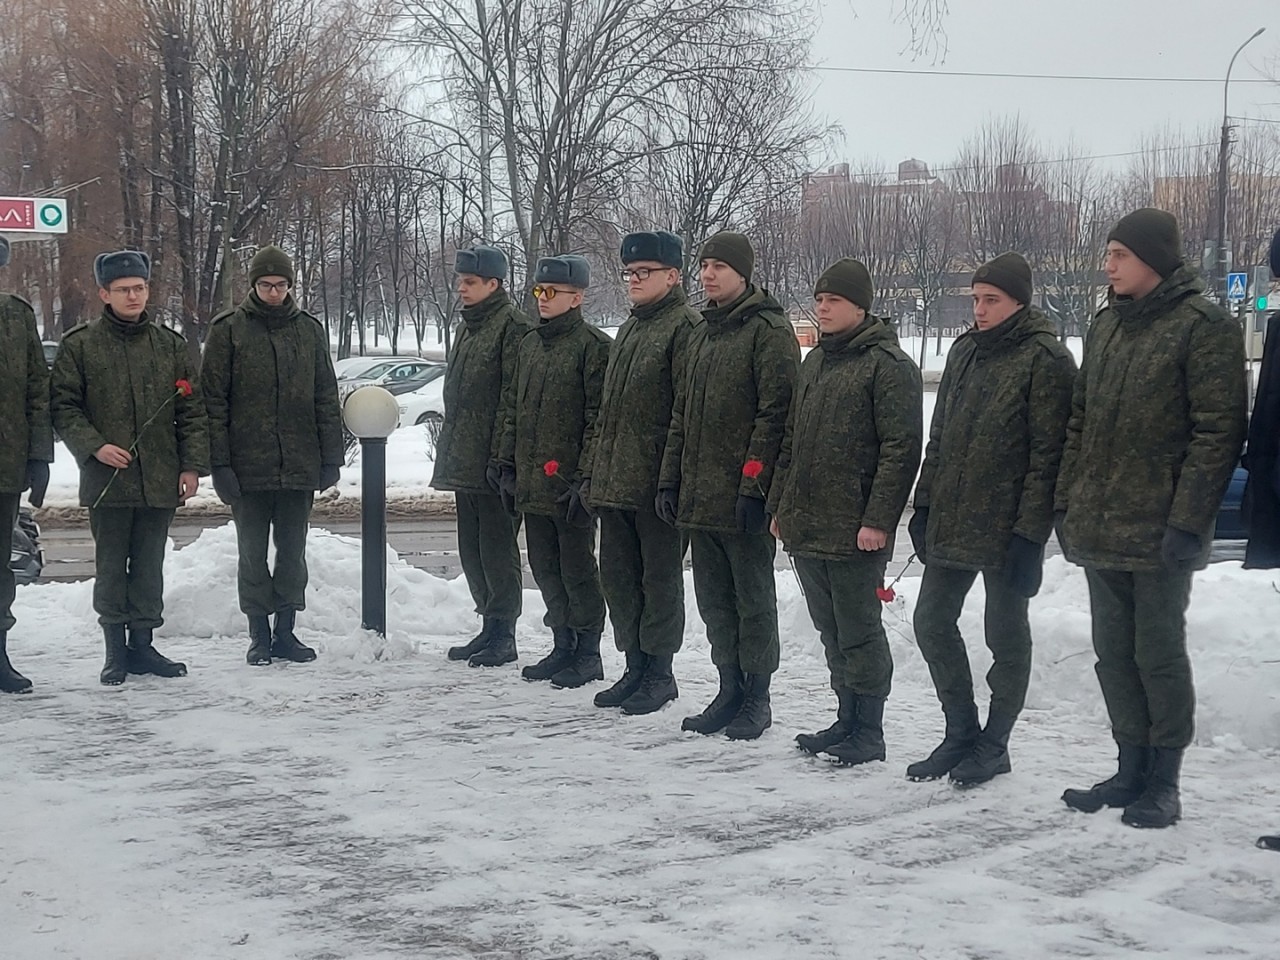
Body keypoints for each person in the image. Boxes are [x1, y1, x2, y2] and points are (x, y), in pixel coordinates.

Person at [1057, 209, 1246, 828]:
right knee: (1113, 655)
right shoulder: (1106, 326)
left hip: (1160, 528)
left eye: (1120, 255)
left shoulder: (1204, 328)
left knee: (1157, 655)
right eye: (1108, 254)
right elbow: (1079, 421)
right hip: (1100, 523)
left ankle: (1164, 781)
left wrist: (1188, 520)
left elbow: (1217, 433)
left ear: (1154, 259)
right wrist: (1067, 500)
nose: (1108, 266)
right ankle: (1129, 768)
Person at [907, 253, 1076, 785]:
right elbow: (940, 436)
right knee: (931, 621)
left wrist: (1031, 534)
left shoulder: (1045, 358)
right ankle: (961, 731)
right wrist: (924, 502)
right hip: (954, 516)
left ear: (1019, 302)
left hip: (1009, 527)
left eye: (991, 300)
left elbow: (1049, 455)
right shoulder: (965, 352)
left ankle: (996, 741)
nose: (979, 310)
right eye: (976, 299)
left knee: (1004, 634)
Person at [770, 258, 922, 764]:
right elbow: (791, 440)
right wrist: (780, 505)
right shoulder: (815, 362)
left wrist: (878, 520)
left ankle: (869, 730)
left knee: (859, 631)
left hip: (856, 529)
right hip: (808, 524)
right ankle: (846, 718)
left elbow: (901, 449)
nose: (823, 308)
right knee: (831, 631)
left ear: (860, 306)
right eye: (819, 300)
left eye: (833, 300)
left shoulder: (888, 365)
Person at [659, 231, 799, 740]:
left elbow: (776, 415)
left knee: (752, 600)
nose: (708, 275)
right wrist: (670, 479)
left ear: (743, 272)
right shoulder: (702, 333)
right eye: (704, 266)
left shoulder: (769, 331)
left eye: (718, 266)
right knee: (715, 601)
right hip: (700, 496)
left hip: (743, 499)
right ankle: (729, 689)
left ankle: (757, 696)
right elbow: (682, 413)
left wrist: (754, 487)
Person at [50, 250, 209, 685]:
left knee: (148, 566)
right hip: (108, 480)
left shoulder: (169, 345)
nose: (133, 296)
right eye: (123, 290)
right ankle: (114, 652)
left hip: (160, 478)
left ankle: (143, 645)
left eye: (139, 288)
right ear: (105, 293)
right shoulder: (80, 345)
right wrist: (95, 446)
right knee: (111, 566)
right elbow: (63, 406)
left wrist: (191, 466)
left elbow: (191, 410)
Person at [201, 245, 343, 665]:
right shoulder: (229, 330)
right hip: (247, 466)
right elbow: (213, 401)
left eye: (281, 285)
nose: (274, 292)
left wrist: (331, 458)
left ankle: (286, 631)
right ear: (253, 285)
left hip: (299, 463)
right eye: (266, 285)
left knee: (292, 552)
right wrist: (219, 463)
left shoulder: (309, 330)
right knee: (252, 553)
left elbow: (324, 395)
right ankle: (258, 634)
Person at [586, 231, 699, 715]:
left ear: (672, 276)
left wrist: (670, 478)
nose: (633, 280)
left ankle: (659, 673)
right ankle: (634, 666)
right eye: (629, 273)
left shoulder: (685, 329)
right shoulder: (630, 329)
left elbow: (683, 413)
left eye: (644, 272)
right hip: (616, 482)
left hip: (654, 483)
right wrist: (594, 473)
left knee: (659, 582)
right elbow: (608, 411)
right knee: (619, 578)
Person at [496, 255, 610, 684]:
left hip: (567, 485)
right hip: (532, 482)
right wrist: (505, 462)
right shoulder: (530, 344)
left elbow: (597, 420)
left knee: (577, 568)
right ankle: (563, 644)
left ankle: (588, 651)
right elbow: (513, 407)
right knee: (545, 566)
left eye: (551, 292)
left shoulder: (593, 348)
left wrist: (586, 478)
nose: (542, 298)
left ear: (576, 298)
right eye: (538, 290)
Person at [433, 245, 531, 667]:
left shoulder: (513, 328)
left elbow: (512, 398)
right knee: (472, 548)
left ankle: (504, 632)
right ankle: (488, 625)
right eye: (461, 281)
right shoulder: (468, 328)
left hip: (494, 462)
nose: (462, 288)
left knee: (496, 548)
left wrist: (502, 457)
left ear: (494, 284)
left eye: (470, 282)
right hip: (466, 459)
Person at [0, 236, 53, 694]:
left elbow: (37, 389)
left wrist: (39, 455)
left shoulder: (17, 315)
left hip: (5, 464)